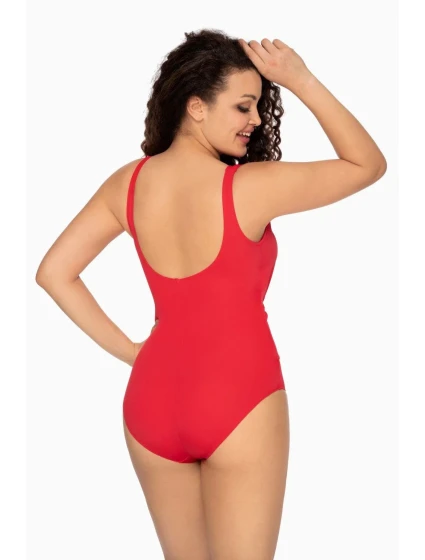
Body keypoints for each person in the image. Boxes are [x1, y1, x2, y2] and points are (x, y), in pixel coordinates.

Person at [36, 29, 387, 560]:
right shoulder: (249, 186)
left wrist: (133, 353)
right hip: (239, 397)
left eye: (259, 106)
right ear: (196, 106)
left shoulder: (127, 183)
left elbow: (54, 272)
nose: (256, 120)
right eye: (244, 106)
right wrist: (300, 79)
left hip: (152, 402)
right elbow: (368, 165)